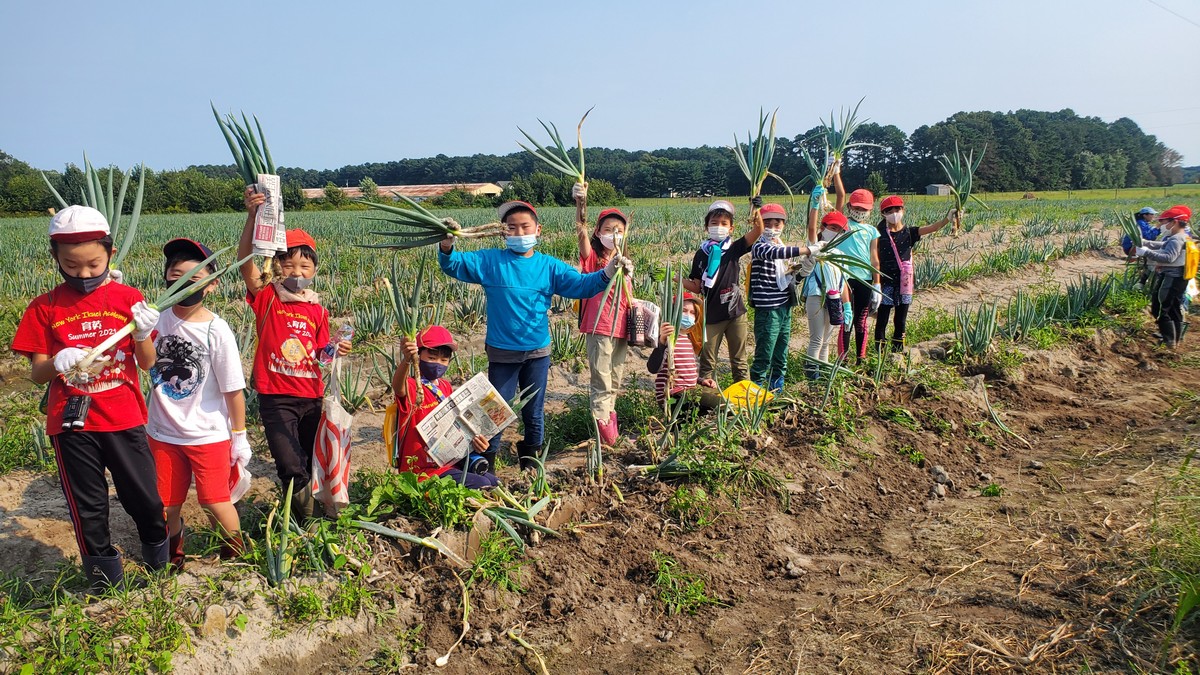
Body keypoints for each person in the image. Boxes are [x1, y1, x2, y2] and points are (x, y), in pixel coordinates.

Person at [10, 206, 168, 590]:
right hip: (71, 421)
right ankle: (104, 583)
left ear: (110, 255)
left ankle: (160, 564)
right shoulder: (44, 308)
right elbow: (37, 373)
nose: (83, 274)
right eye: (71, 265)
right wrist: (59, 362)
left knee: (145, 497)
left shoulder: (129, 298)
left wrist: (144, 333)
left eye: (94, 264)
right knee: (89, 507)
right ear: (55, 259)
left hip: (124, 416)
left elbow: (147, 364)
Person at [438, 200, 629, 470]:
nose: (518, 233)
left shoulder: (549, 267)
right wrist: (446, 246)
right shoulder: (490, 261)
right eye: (511, 228)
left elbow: (582, 286)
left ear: (538, 230)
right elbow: (454, 265)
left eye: (524, 227)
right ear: (502, 232)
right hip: (503, 352)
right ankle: (487, 465)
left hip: (538, 352)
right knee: (496, 411)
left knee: (534, 412)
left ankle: (530, 464)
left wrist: (608, 272)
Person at [240, 188, 351, 518]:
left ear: (314, 270)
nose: (297, 272)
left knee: (310, 459)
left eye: (305, 265)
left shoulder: (317, 309)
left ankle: (315, 513)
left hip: (311, 395)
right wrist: (251, 217)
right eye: (288, 265)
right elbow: (245, 263)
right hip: (277, 397)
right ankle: (307, 521)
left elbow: (321, 356)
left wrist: (335, 349)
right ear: (277, 267)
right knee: (289, 463)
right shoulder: (267, 298)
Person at [146, 238, 249, 569]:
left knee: (215, 501)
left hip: (208, 434)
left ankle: (235, 558)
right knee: (166, 505)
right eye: (176, 276)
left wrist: (240, 435)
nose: (184, 285)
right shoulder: (155, 320)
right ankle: (171, 561)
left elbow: (233, 390)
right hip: (163, 433)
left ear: (212, 285)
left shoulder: (216, 330)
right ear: (164, 277)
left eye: (195, 278)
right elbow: (143, 361)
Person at [392, 325, 498, 488]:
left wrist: (476, 443)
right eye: (432, 358)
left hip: (446, 464)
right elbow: (398, 387)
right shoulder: (413, 386)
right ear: (418, 355)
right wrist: (407, 359)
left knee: (493, 481)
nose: (438, 364)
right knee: (482, 484)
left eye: (444, 360)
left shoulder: (445, 387)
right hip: (420, 472)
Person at [683, 199, 765, 384]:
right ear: (706, 227)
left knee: (739, 361)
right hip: (711, 316)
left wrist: (757, 210)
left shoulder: (734, 249)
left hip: (736, 314)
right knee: (707, 362)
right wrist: (676, 278)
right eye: (714, 223)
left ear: (731, 228)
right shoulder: (701, 254)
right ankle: (705, 402)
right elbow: (697, 286)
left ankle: (744, 400)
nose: (718, 227)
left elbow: (758, 231)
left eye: (723, 224)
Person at [573, 182, 630, 444]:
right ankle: (603, 430)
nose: (613, 234)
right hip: (599, 326)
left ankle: (610, 420)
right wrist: (580, 204)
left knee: (616, 378)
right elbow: (581, 232)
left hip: (622, 327)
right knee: (601, 380)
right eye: (608, 229)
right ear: (599, 231)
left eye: (619, 230)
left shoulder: (625, 259)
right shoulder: (594, 258)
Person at [748, 202, 824, 391]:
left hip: (784, 306)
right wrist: (808, 249)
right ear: (759, 224)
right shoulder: (759, 247)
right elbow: (775, 253)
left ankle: (776, 388)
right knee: (765, 352)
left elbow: (788, 278)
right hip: (768, 310)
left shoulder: (780, 246)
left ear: (783, 225)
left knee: (781, 351)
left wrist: (803, 269)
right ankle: (756, 391)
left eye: (777, 224)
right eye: (767, 223)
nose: (773, 228)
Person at [874, 196, 954, 352]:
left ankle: (897, 352)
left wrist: (948, 219)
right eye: (889, 211)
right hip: (886, 282)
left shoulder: (910, 233)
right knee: (882, 319)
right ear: (883, 214)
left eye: (897, 209)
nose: (894, 213)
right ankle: (879, 353)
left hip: (905, 283)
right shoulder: (878, 234)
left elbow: (932, 228)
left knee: (900, 320)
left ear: (903, 210)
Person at [830, 171, 881, 362]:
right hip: (845, 279)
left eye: (864, 208)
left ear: (870, 210)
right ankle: (843, 359)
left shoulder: (872, 230)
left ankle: (861, 357)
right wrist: (836, 172)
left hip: (865, 280)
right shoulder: (842, 223)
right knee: (847, 320)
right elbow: (840, 194)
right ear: (850, 207)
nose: (860, 211)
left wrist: (877, 285)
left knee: (861, 321)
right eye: (857, 207)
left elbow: (874, 259)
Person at [647, 293, 723, 413]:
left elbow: (686, 373)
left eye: (693, 313)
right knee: (720, 404)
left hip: (688, 393)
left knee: (719, 399)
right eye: (684, 311)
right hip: (672, 396)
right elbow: (653, 368)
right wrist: (661, 342)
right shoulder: (668, 339)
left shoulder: (687, 339)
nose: (688, 316)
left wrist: (701, 381)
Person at [800, 203, 851, 379]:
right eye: (832, 227)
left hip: (834, 300)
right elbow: (811, 228)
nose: (835, 232)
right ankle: (811, 377)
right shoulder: (816, 247)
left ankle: (824, 376)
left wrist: (847, 305)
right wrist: (814, 206)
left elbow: (842, 283)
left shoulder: (840, 255)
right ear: (824, 227)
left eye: (839, 230)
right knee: (817, 339)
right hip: (816, 297)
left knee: (826, 341)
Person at [1135, 205, 1194, 348]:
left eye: (1164, 221)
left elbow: (1168, 257)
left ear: (1174, 222)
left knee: (1161, 307)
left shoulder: (1176, 239)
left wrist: (1146, 252)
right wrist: (1146, 243)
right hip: (1179, 278)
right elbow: (1163, 245)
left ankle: (1169, 342)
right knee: (1173, 308)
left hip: (1171, 278)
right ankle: (1175, 340)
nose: (1161, 225)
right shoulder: (1181, 237)